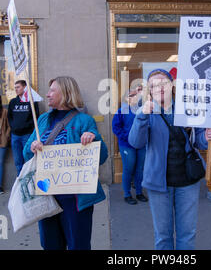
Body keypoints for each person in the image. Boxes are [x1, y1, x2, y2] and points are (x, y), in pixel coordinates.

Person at [128, 69, 211, 250]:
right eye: (154, 85)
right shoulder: (146, 111)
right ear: (149, 90)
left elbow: (198, 140)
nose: (159, 88)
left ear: (172, 85)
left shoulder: (188, 108)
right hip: (158, 182)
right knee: (163, 236)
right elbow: (135, 142)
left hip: (188, 180)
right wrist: (142, 116)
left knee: (187, 234)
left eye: (163, 83)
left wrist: (208, 136)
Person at [23, 76, 108, 250]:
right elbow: (25, 154)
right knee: (50, 245)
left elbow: (102, 157)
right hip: (46, 197)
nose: (47, 95)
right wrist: (32, 147)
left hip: (75, 199)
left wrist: (93, 139)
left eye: (52, 90)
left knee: (79, 245)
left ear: (66, 93)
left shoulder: (84, 121)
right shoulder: (43, 120)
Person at [112, 89, 147, 205]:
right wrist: (128, 137)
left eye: (136, 95)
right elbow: (116, 128)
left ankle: (139, 192)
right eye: (131, 95)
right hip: (127, 145)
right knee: (128, 169)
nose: (135, 97)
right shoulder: (121, 111)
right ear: (126, 98)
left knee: (139, 169)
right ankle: (127, 194)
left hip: (141, 144)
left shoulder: (142, 110)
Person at [8, 80, 39, 176]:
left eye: (18, 87)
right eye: (15, 87)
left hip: (27, 135)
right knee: (18, 162)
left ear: (24, 87)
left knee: (28, 160)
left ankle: (29, 182)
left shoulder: (32, 101)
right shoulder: (13, 102)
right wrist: (14, 127)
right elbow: (9, 117)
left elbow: (36, 117)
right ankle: (20, 183)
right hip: (15, 136)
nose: (16, 89)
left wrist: (27, 127)